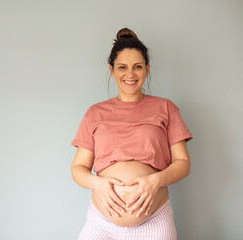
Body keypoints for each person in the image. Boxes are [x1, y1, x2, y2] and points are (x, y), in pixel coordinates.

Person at [70, 28, 193, 240]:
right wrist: (97, 183)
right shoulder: (95, 112)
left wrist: (156, 180)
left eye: (137, 67)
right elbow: (78, 168)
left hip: (154, 219)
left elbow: (183, 163)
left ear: (147, 69)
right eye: (122, 67)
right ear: (112, 70)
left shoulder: (166, 108)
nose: (130, 74)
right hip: (102, 220)